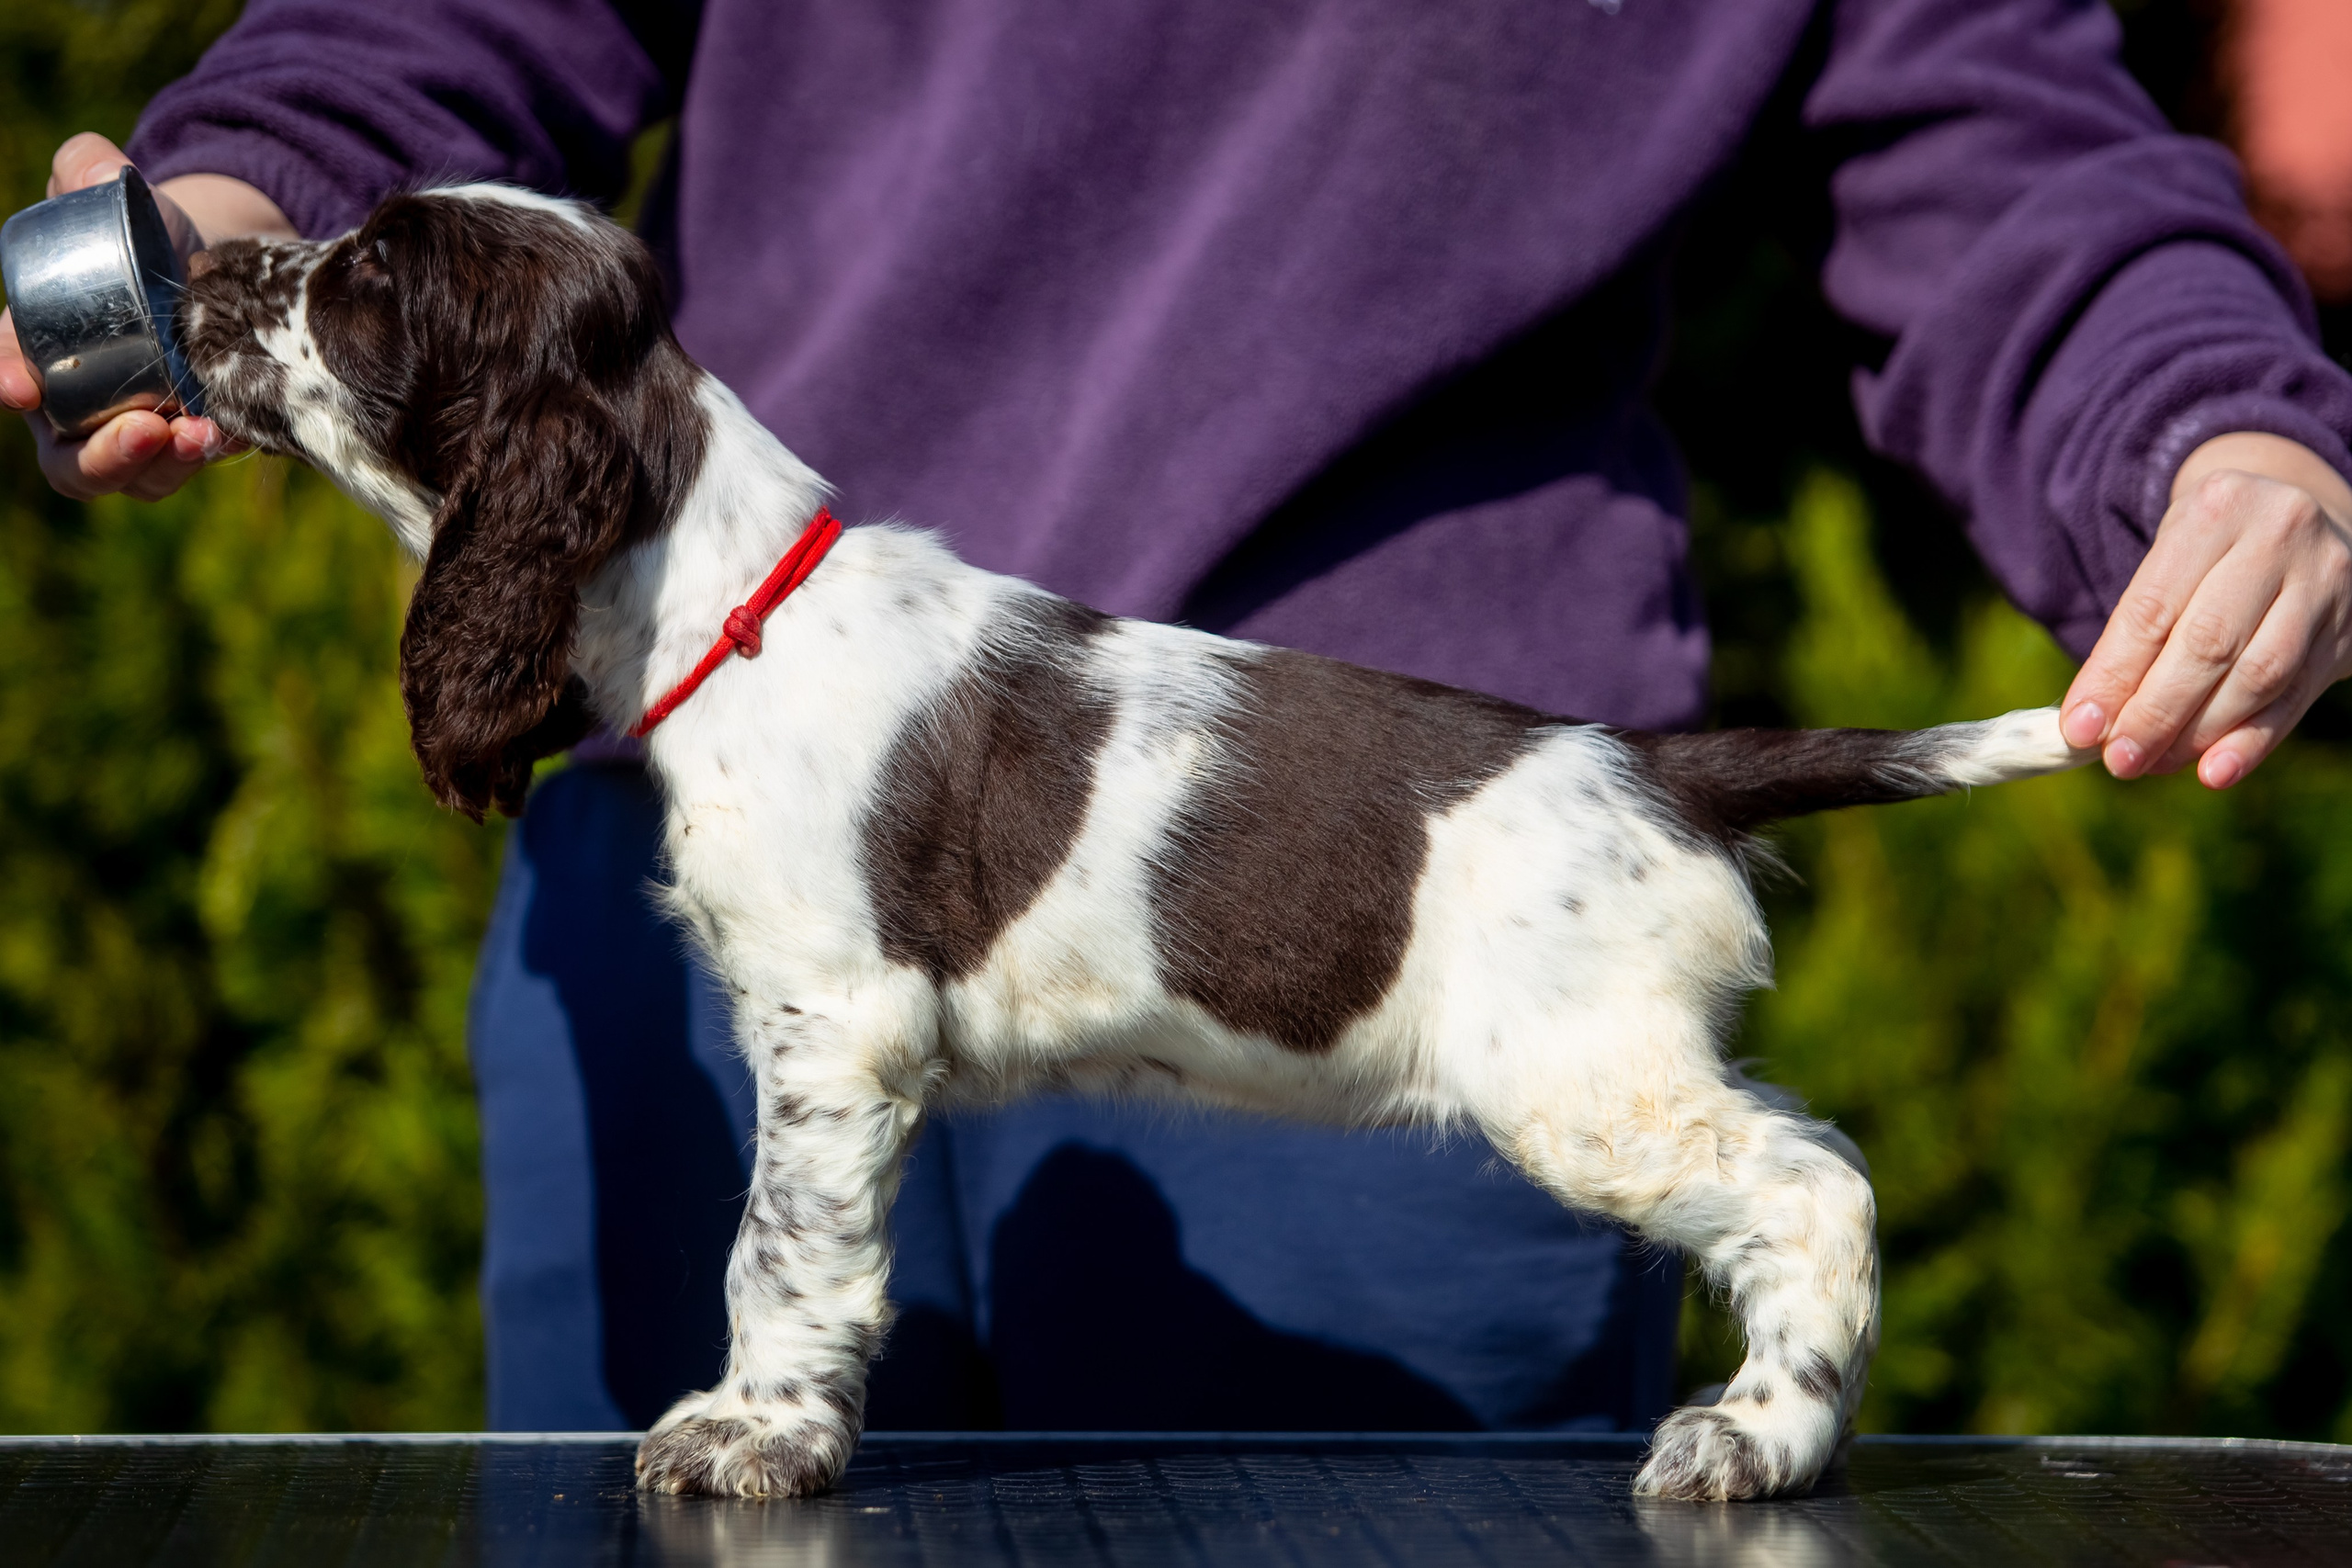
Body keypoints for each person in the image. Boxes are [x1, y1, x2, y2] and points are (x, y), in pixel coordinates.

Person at [6, 0, 2350, 1434]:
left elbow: (1998, 136)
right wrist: (231, 219)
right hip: (716, 825)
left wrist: (2218, 429)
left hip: (1372, 906)